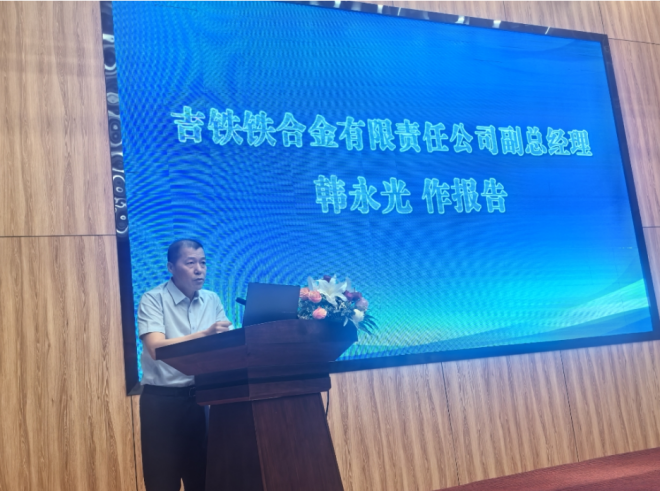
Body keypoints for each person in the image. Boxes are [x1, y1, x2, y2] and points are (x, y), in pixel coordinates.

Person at [137, 239, 232, 491]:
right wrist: (205, 335)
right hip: (161, 403)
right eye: (190, 263)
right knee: (162, 482)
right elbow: (156, 348)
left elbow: (226, 344)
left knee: (203, 480)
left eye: (203, 263)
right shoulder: (153, 299)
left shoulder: (212, 300)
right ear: (171, 267)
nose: (199, 269)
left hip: (200, 401)